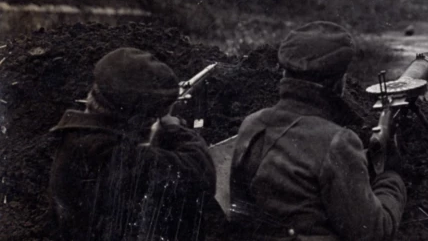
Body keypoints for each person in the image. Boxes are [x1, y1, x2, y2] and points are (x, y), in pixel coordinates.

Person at [229, 21, 406, 241]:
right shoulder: (338, 142)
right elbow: (373, 231)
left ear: (284, 72)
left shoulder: (251, 124)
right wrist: (391, 176)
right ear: (337, 83)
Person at [48, 47, 217, 241]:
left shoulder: (76, 138)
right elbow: (201, 172)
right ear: (137, 120)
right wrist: (171, 126)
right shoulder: (112, 157)